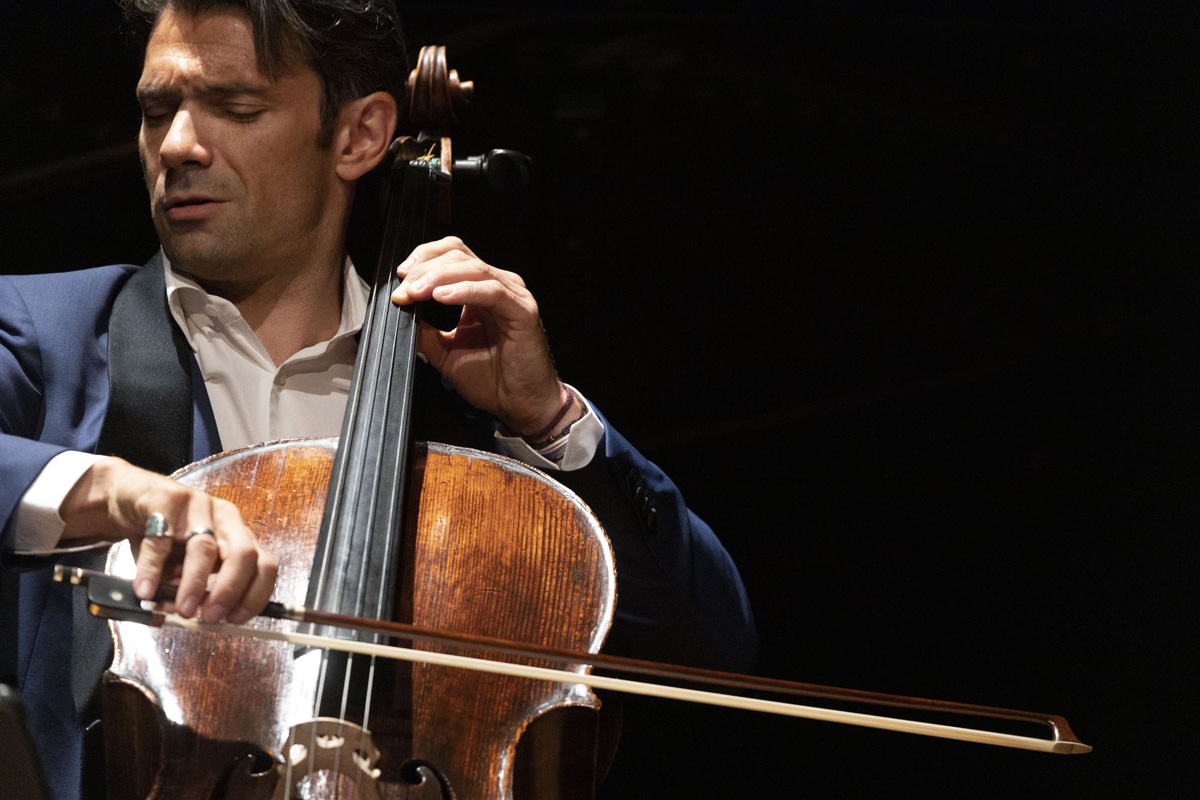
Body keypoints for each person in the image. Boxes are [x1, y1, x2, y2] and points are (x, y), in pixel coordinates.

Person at [0, 1, 757, 797]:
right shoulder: (42, 335)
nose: (178, 145)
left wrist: (547, 421)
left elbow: (706, 652)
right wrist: (119, 490)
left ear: (360, 135)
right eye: (158, 110)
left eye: (235, 107)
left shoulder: (460, 427)